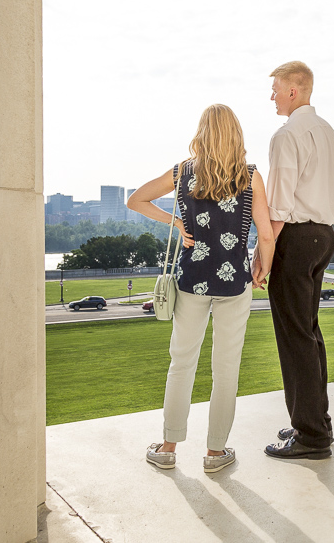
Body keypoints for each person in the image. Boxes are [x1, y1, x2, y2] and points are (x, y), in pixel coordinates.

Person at [127, 104, 275, 473]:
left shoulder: (182, 172)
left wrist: (176, 221)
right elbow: (267, 234)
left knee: (182, 364)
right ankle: (214, 453)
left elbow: (135, 199)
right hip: (235, 285)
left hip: (191, 281)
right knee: (227, 368)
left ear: (202, 132)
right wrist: (262, 270)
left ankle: (167, 446)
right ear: (236, 134)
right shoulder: (251, 176)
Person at [253, 61, 334, 460]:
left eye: (275, 88)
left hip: (296, 238)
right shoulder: (328, 132)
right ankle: (314, 422)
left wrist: (264, 252)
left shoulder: (287, 135)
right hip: (324, 237)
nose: (271, 95)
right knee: (308, 333)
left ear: (293, 90)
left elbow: (279, 202)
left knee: (295, 340)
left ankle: (310, 435)